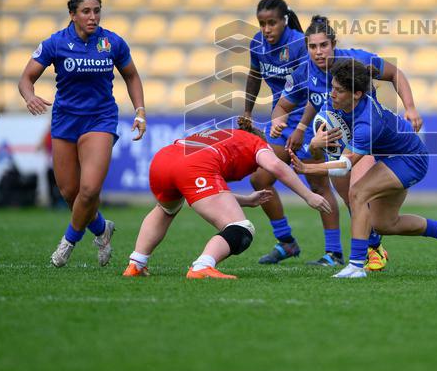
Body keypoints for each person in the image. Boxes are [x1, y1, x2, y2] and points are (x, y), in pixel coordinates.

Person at [288, 58, 437, 279]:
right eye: (332, 88)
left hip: (410, 159)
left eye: (339, 90)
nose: (332, 94)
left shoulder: (367, 122)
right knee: (383, 224)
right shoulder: (335, 103)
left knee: (358, 193)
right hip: (391, 157)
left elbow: (343, 166)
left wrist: (307, 168)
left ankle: (355, 265)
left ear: (356, 95)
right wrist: (314, 145)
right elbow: (330, 155)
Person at [271, 15, 424, 271]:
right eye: (312, 46)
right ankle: (372, 248)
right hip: (337, 141)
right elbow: (286, 106)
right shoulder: (304, 72)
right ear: (306, 47)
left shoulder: (357, 61)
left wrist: (410, 108)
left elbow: (395, 73)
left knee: (359, 192)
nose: (318, 52)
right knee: (351, 199)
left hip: (368, 138)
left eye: (323, 45)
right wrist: (281, 122)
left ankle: (363, 257)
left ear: (334, 44)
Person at [18, 0, 146, 268]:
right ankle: (101, 230)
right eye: (86, 12)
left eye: (97, 11)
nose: (93, 17)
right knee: (70, 193)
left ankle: (68, 242)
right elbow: (26, 78)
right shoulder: (55, 43)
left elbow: (132, 76)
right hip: (65, 120)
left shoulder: (112, 43)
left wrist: (140, 111)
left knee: (89, 191)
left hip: (100, 119)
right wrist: (29, 97)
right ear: (72, 15)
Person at [123, 116, 331, 278]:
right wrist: (308, 195)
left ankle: (136, 263)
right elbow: (277, 165)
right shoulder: (256, 142)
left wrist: (247, 200)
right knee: (241, 228)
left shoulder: (220, 135)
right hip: (193, 167)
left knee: (166, 209)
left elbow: (203, 190)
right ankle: (203, 266)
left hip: (163, 160)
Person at [242, 0, 337, 267]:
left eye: (272, 23)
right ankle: (286, 242)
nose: (266, 29)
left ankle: (333, 252)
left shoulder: (299, 44)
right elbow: (253, 75)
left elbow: (313, 87)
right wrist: (248, 113)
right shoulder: (258, 45)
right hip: (281, 123)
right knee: (259, 179)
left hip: (310, 123)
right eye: (262, 23)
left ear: (284, 20)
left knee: (318, 183)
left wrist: (303, 126)